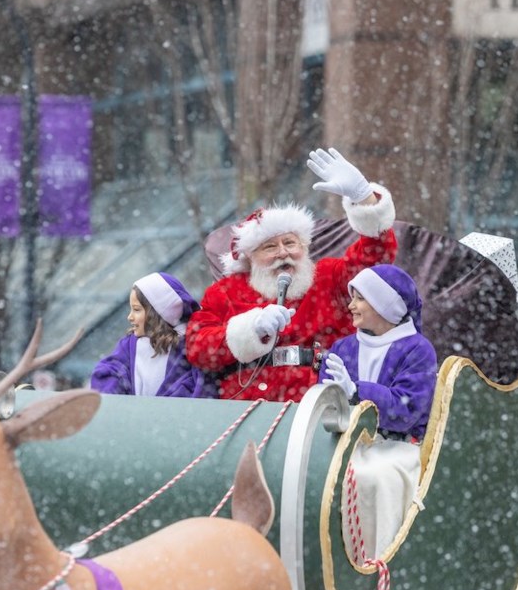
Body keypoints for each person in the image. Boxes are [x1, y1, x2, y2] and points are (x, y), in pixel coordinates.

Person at [186, 147, 397, 401]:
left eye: (290, 243)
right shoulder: (225, 292)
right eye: (270, 247)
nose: (282, 253)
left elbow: (376, 257)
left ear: (304, 248)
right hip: (247, 408)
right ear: (250, 257)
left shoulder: (328, 277)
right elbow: (198, 348)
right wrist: (250, 329)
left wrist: (364, 199)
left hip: (320, 405)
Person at [318, 264, 437, 560]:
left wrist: (358, 392)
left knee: (371, 478)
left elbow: (406, 410)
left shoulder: (417, 350)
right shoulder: (342, 348)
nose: (351, 305)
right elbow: (324, 405)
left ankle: (375, 560)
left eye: (360, 298)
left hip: (397, 447)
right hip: (345, 444)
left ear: (384, 305)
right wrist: (333, 397)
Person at [90, 272, 215, 398]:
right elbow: (110, 371)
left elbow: (197, 390)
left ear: (158, 312)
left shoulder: (189, 347)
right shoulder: (129, 345)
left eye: (137, 310)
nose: (130, 317)